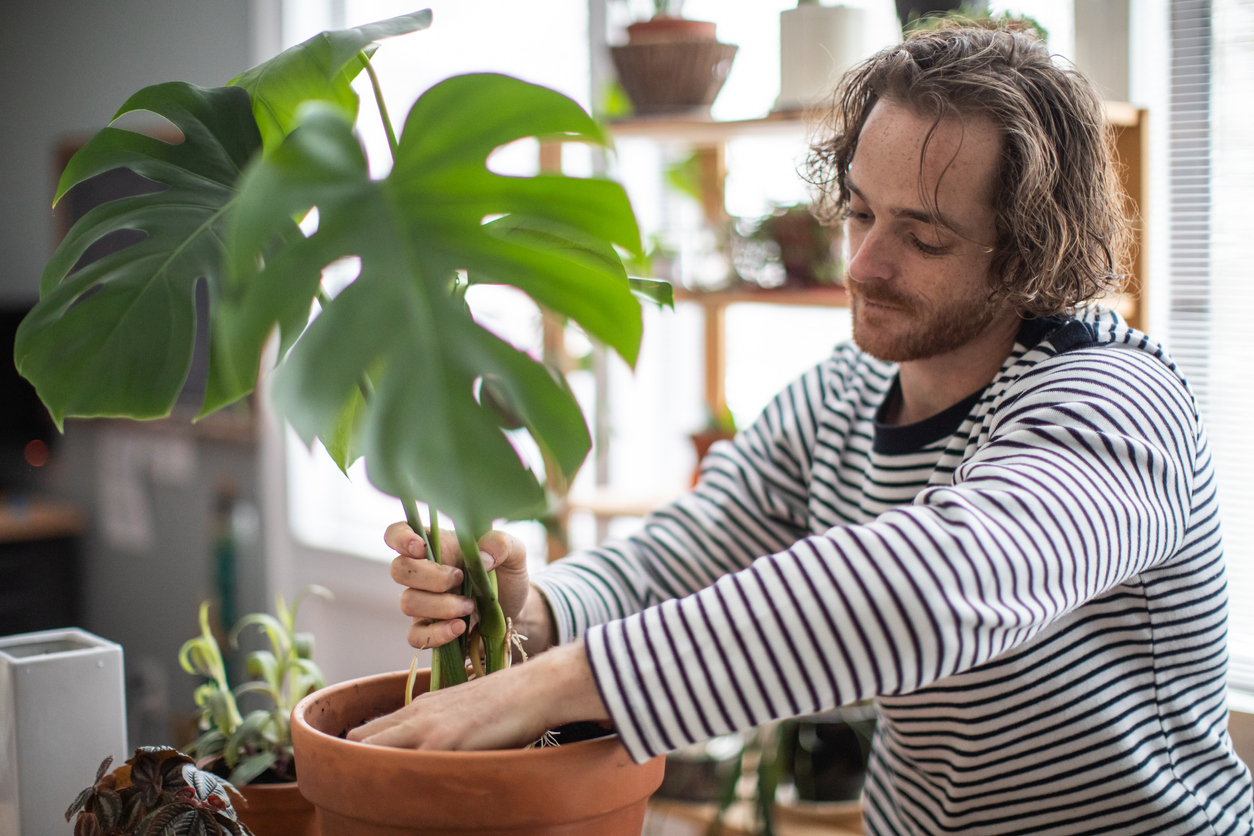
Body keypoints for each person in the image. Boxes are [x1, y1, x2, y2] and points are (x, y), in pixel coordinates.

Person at [349, 23, 1254, 835]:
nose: (862, 262)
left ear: (1028, 248)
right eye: (859, 210)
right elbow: (686, 553)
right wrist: (536, 610)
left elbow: (937, 586)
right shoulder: (844, 395)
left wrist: (550, 686)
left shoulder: (1116, 402)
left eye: (923, 237)